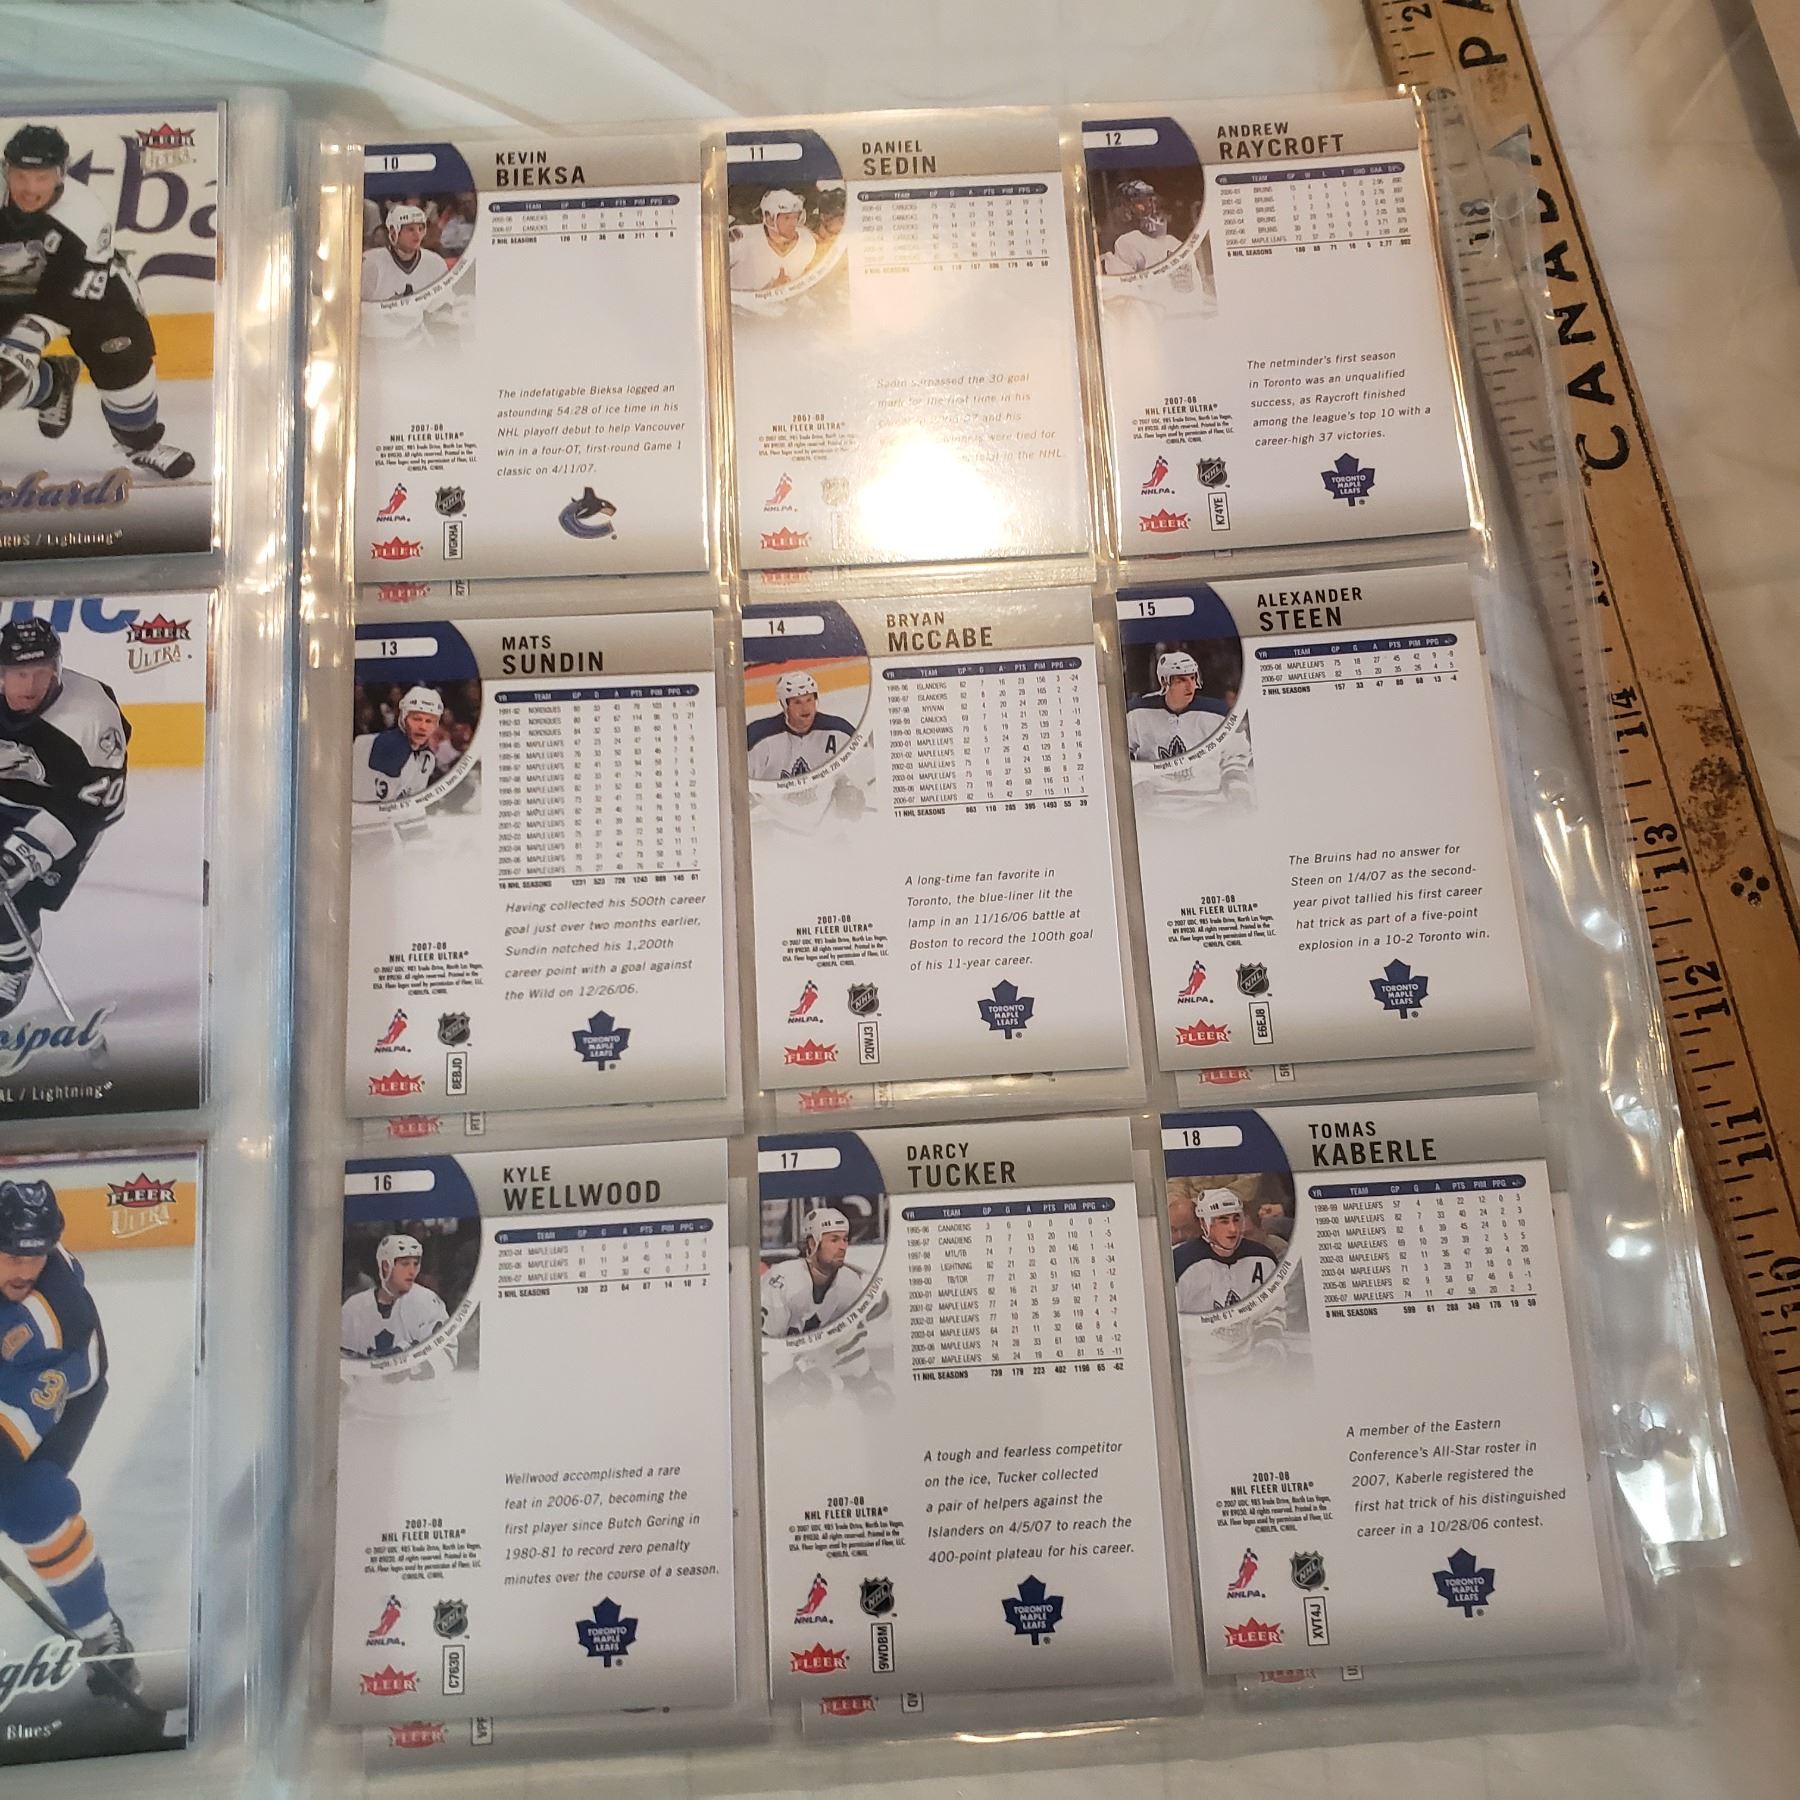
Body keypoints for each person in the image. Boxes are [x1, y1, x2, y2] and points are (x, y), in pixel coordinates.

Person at [0, 1178, 139, 1697]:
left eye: (34, 1257)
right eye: (13, 1255)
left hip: (60, 1385)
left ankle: (99, 1632)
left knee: (29, 1499)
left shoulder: (50, 1321)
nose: (25, 1270)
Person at [0, 123, 197, 479]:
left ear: (61, 173)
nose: (30, 188)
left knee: (122, 355)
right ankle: (51, 385)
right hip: (7, 293)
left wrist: (25, 340)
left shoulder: (84, 215)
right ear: (6, 170)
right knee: (5, 376)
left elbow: (70, 293)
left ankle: (141, 443)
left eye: (41, 178)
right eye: (20, 176)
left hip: (90, 296)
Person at [0, 618, 128, 1021]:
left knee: (16, 893)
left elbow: (100, 804)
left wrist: (24, 854)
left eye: (42, 672)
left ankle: (12, 964)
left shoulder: (90, 712)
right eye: (20, 673)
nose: (32, 686)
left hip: (64, 812)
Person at [760, 1207, 870, 1338]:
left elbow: (856, 1340)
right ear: (812, 1244)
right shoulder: (783, 1279)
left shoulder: (850, 1282)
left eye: (845, 1239)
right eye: (834, 1240)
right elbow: (766, 1342)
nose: (842, 1247)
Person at [340, 1233, 450, 1358]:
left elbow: (444, 1351)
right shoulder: (354, 1306)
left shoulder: (427, 1301)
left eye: (415, 1264)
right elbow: (340, 1355)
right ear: (386, 1266)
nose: (412, 1271)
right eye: (405, 1264)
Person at [1174, 1189, 1279, 1314]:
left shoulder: (1263, 1257)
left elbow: (1276, 1309)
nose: (1233, 1229)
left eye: (1236, 1220)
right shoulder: (1179, 1262)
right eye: (1224, 1221)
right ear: (1204, 1223)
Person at [746, 670, 857, 780]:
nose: (805, 708)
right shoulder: (758, 738)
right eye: (797, 702)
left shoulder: (840, 731)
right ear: (784, 705)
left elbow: (861, 771)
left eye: (809, 700)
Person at [1126, 650, 1230, 762]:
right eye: (1181, 680)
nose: (1190, 686)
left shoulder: (1217, 713)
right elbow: (1120, 750)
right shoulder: (1137, 713)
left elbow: (1235, 754)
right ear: (1164, 682)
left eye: (1192, 678)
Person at [353, 685, 443, 804]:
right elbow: (376, 807)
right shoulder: (389, 746)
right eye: (416, 719)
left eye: (429, 721)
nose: (423, 727)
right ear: (403, 718)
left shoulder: (427, 757)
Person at [729, 189, 816, 292]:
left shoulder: (807, 241)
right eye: (787, 218)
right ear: (769, 218)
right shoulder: (741, 238)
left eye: (796, 217)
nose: (793, 223)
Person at [361, 203, 450, 303]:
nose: (417, 235)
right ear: (394, 232)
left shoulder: (436, 263)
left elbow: (445, 303)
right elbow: (360, 305)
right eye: (410, 229)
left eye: (420, 229)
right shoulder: (371, 263)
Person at [1102, 178, 1179, 274]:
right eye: (1141, 202)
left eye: (1151, 201)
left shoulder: (1169, 241)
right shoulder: (1121, 237)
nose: (1150, 207)